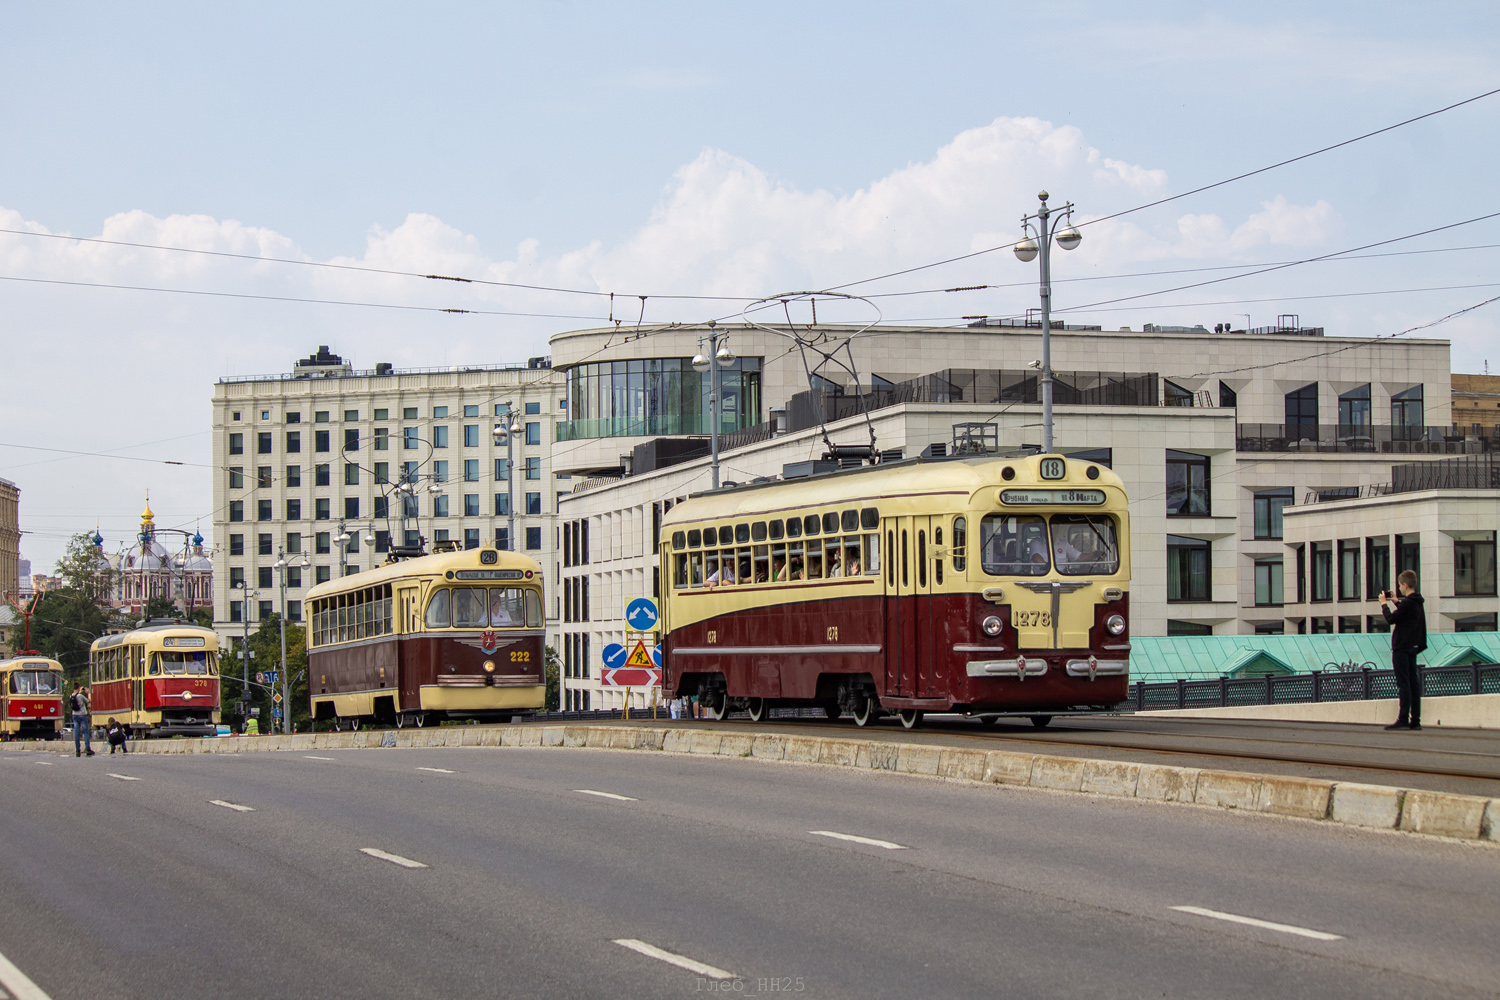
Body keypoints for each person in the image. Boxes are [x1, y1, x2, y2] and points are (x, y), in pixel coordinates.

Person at [1379, 570, 1427, 730]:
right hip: (1413, 646)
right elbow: (1406, 614)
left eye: (1400, 585)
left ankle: (1403, 719)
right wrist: (1396, 601)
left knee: (1403, 683)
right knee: (1413, 683)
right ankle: (1416, 720)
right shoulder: (1417, 602)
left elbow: (1392, 619)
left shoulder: (1408, 603)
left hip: (1401, 647)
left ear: (1405, 585)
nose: (1399, 588)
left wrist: (1384, 604)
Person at [70, 684, 94, 757]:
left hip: (74, 715)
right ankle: (87, 749)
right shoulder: (80, 696)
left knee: (76, 733)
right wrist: (88, 693)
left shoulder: (71, 696)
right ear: (78, 688)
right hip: (82, 715)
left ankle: (77, 750)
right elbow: (89, 701)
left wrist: (79, 692)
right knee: (85, 732)